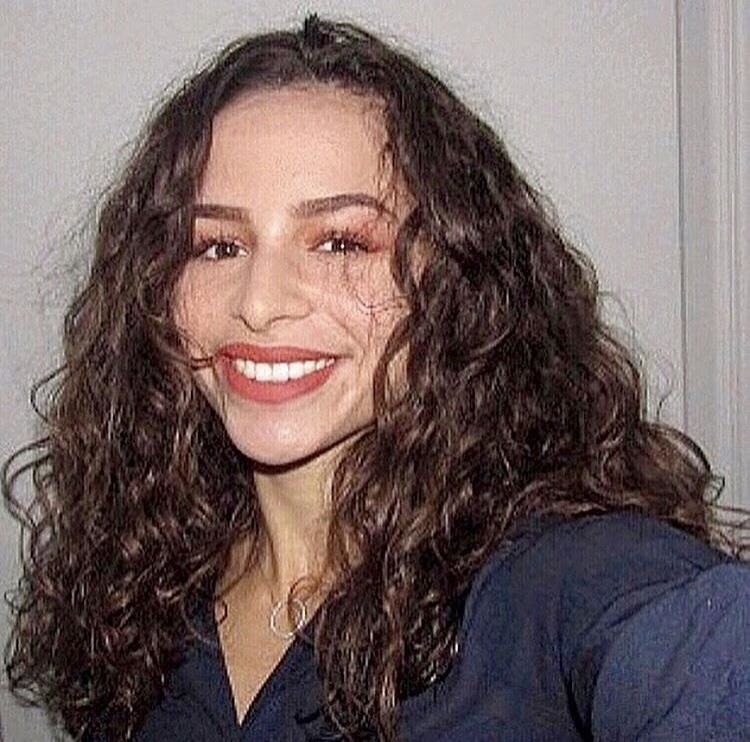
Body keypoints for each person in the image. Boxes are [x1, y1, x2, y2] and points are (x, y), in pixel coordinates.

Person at [4, 14, 750, 742]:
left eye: (339, 242)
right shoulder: (143, 586)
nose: (259, 303)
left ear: (455, 277)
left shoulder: (560, 579)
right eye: (218, 246)